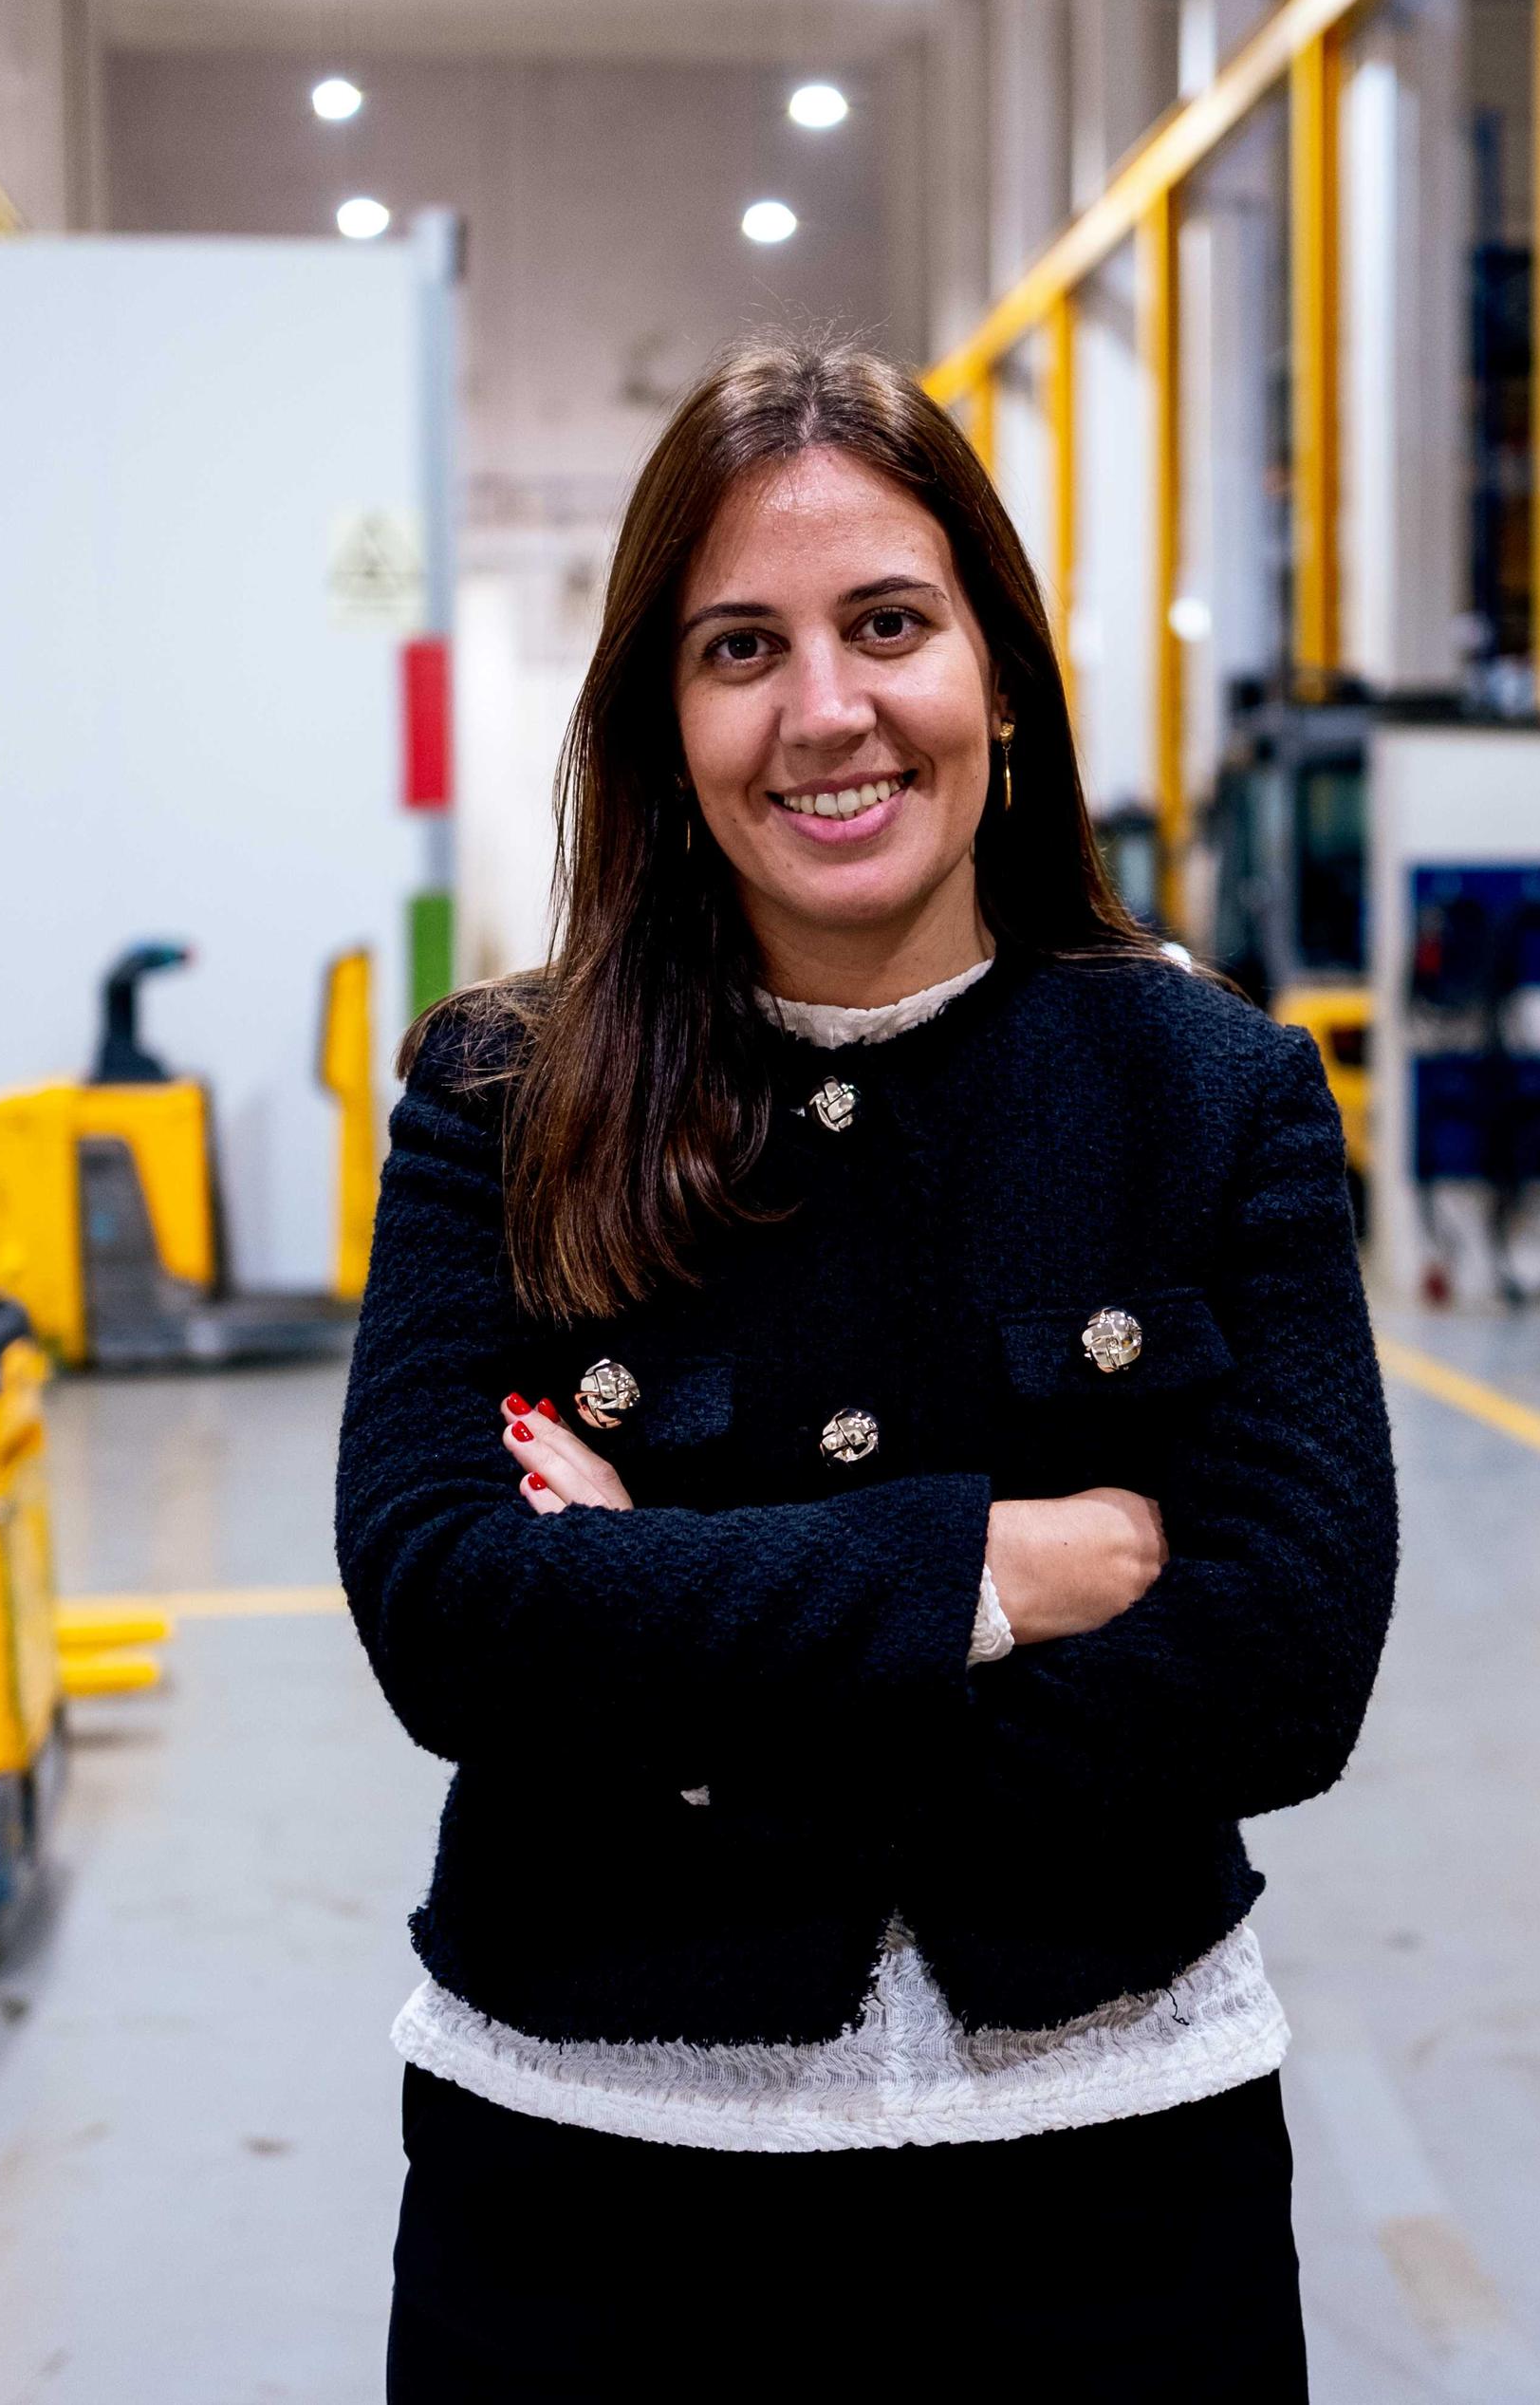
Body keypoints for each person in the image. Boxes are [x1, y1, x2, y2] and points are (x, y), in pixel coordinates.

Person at [335, 338, 1397, 2398]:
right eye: (740, 645)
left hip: (1109, 2188)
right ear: (663, 720)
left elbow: (1287, 1661)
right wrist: (992, 1573)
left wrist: (661, 1668)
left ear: (997, 677)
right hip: (582, 2194)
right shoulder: (502, 1101)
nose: (824, 709)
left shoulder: (1208, 1096)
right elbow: (448, 1616)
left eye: (888, 624)